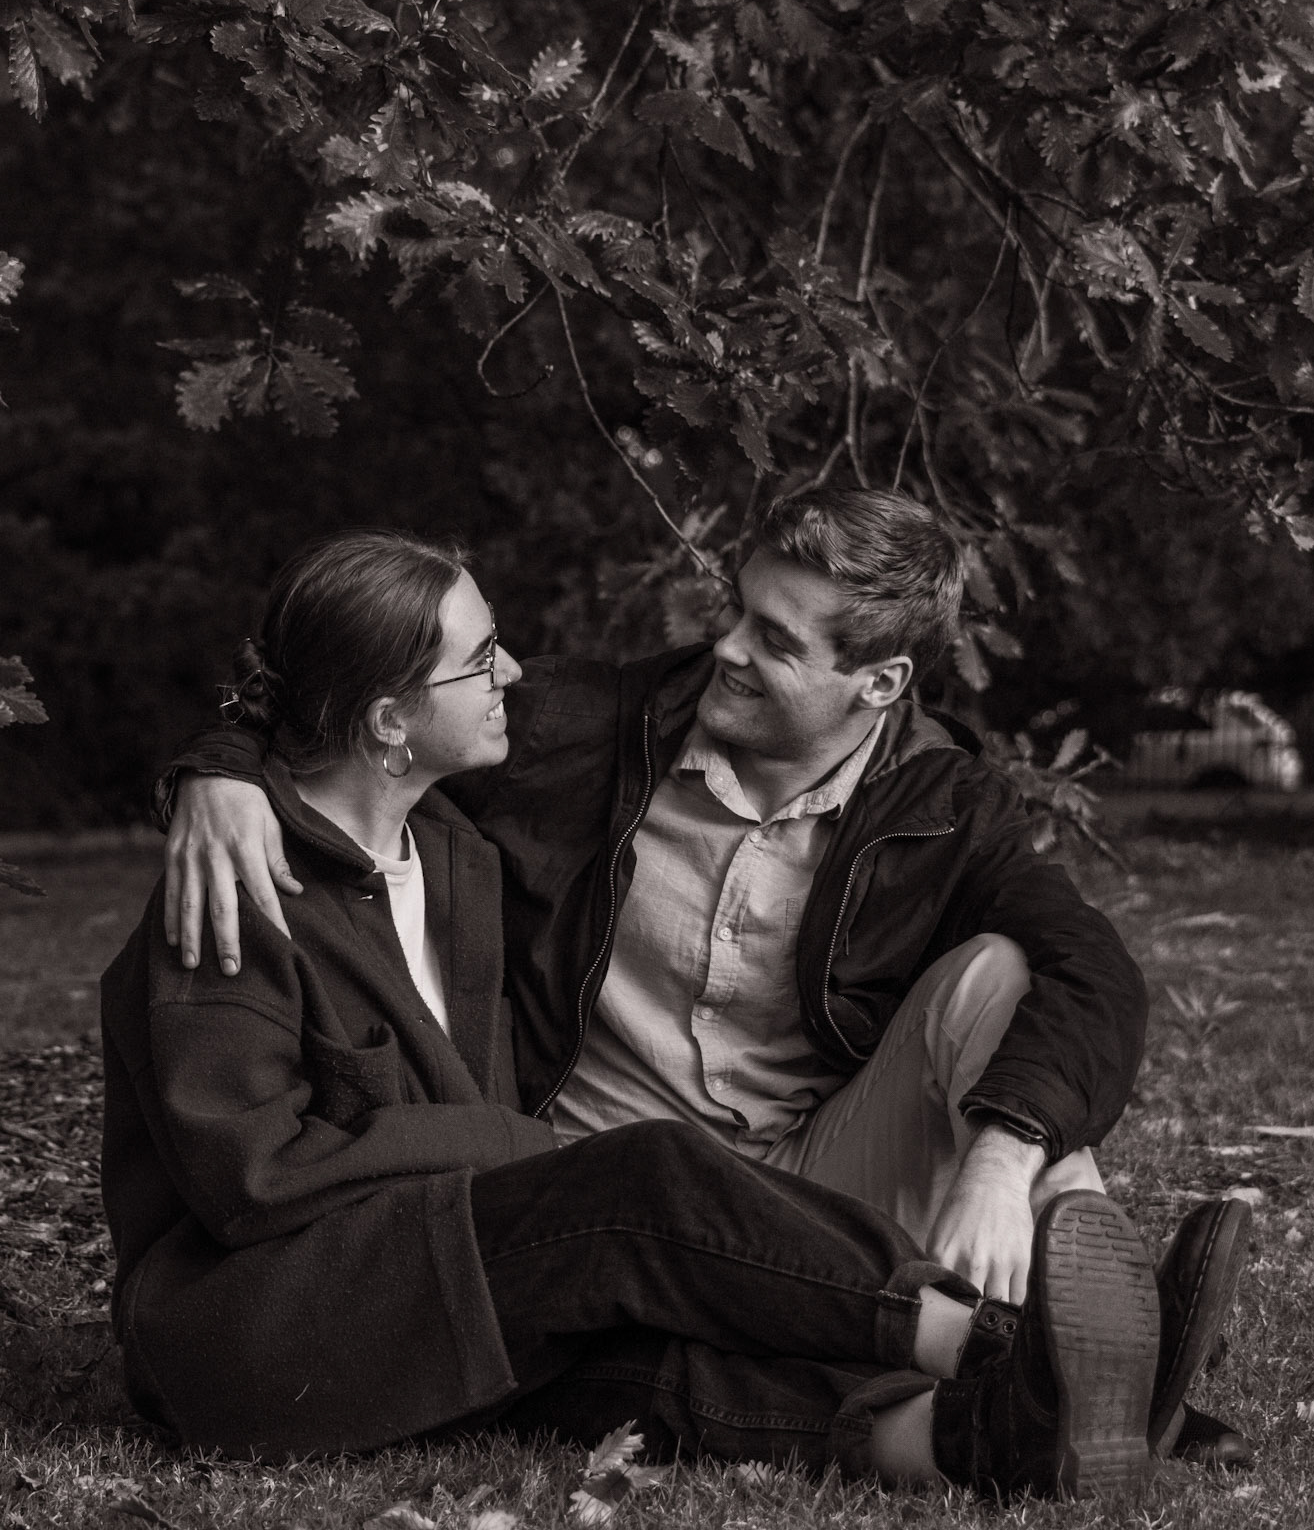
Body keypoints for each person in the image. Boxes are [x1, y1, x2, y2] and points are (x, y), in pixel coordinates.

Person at [155, 492, 1252, 1463]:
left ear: (878, 682)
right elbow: (353, 696)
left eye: (773, 639)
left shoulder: (943, 802)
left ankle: (1090, 1328)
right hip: (585, 1175)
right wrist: (222, 770)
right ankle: (1038, 1384)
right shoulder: (579, 730)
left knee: (1001, 978)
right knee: (638, 1325)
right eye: (736, 609)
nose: (725, 646)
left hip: (812, 1175)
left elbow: (1091, 971)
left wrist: (1002, 1164)